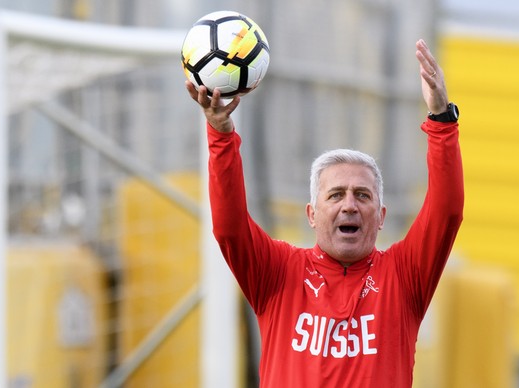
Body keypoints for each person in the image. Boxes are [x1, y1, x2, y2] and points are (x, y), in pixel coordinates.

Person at [185, 39, 463, 388]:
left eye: (362, 195)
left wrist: (441, 120)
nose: (349, 205)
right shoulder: (277, 272)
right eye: (336, 195)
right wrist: (221, 135)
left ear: (380, 216)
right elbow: (229, 229)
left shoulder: (404, 276)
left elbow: (447, 213)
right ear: (312, 214)